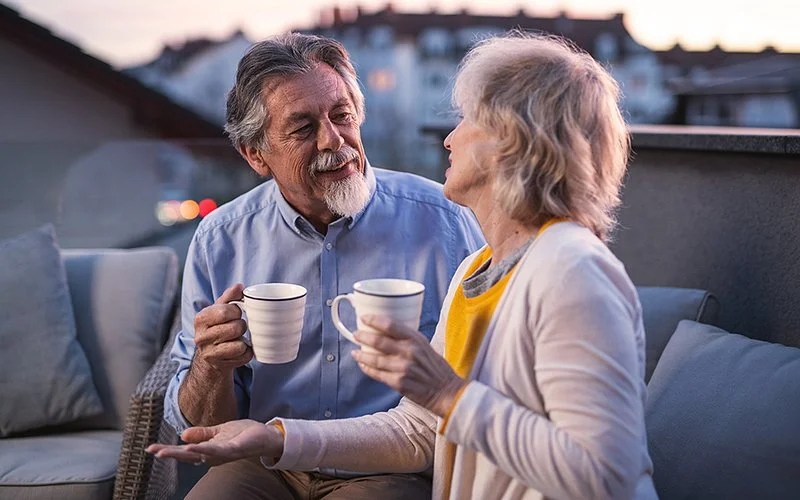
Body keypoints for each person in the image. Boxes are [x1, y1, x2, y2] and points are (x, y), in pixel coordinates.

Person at [151, 32, 658, 499]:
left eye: (469, 120)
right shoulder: (480, 270)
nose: (449, 138)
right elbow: (416, 429)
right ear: (255, 154)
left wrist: (445, 394)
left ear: (515, 144)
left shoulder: (572, 271)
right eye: (304, 127)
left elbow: (606, 476)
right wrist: (271, 435)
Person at [162, 32, 484, 499]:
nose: (334, 140)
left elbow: (473, 385)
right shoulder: (221, 238)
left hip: (389, 463)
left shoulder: (446, 222)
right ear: (255, 154)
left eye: (342, 116)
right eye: (303, 128)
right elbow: (203, 427)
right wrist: (210, 367)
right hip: (263, 463)